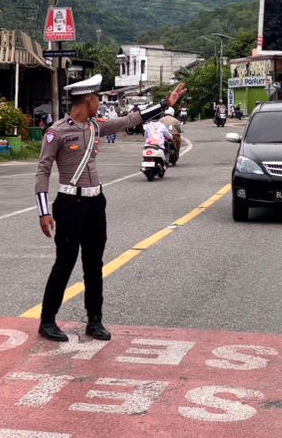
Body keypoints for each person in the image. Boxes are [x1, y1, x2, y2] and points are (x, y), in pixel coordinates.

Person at [34, 76, 185, 343]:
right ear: (87, 100)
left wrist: (164, 104)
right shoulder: (56, 132)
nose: (100, 103)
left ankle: (95, 320)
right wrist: (44, 212)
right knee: (65, 264)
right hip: (69, 205)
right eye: (97, 99)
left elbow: (130, 120)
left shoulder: (95, 127)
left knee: (94, 264)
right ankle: (47, 321)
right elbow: (43, 171)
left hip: (95, 203)